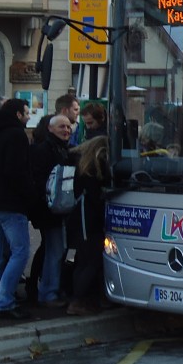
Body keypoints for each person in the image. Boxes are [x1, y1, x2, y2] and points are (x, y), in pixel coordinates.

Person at [0, 98, 39, 319]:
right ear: (17, 115)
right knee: (20, 252)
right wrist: (31, 197)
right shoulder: (16, 136)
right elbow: (16, 172)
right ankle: (4, 300)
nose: (29, 117)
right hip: (10, 204)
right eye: (26, 113)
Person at [28, 113, 75, 307]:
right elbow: (39, 180)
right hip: (50, 210)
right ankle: (49, 293)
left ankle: (50, 289)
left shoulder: (65, 149)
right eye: (61, 126)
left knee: (56, 250)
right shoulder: (44, 151)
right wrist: (48, 200)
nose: (66, 130)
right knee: (55, 251)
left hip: (60, 209)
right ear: (50, 128)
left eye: (68, 127)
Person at [67, 135, 109, 316]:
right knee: (91, 261)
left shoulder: (80, 166)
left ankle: (81, 299)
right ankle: (78, 301)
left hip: (80, 220)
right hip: (88, 222)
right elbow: (96, 198)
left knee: (83, 261)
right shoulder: (93, 170)